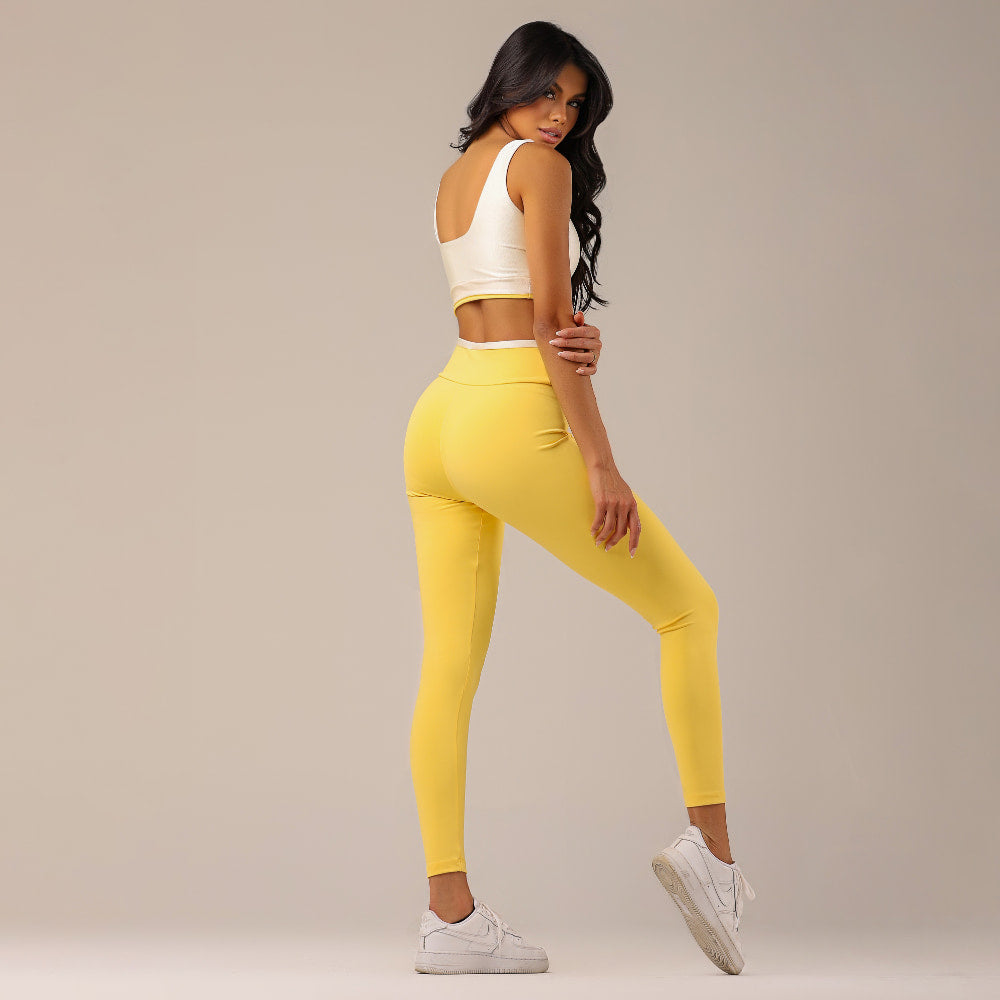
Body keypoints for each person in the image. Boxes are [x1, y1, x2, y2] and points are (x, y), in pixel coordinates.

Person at [404, 20, 756, 977]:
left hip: (440, 417)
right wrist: (601, 463)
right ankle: (715, 856)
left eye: (574, 103)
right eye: (546, 93)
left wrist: (564, 335)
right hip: (513, 417)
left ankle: (448, 917)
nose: (559, 116)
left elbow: (509, 307)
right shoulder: (540, 169)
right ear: (508, 80)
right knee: (688, 611)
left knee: (447, 670)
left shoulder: (458, 174)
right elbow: (551, 324)